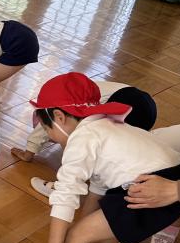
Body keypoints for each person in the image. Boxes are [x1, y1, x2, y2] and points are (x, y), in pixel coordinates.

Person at [0, 73, 180, 243]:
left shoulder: (82, 138)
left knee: (77, 237)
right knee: (108, 220)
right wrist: (84, 227)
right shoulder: (104, 123)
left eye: (46, 129)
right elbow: (98, 189)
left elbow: (66, 194)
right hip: (173, 178)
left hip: (152, 188)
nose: (51, 137)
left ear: (59, 117)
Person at [10, 79, 158, 199]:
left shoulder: (52, 109)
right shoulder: (75, 94)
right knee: (119, 146)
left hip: (125, 102)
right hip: (146, 105)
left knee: (80, 142)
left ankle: (62, 187)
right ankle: (113, 184)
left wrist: (28, 153)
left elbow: (43, 130)